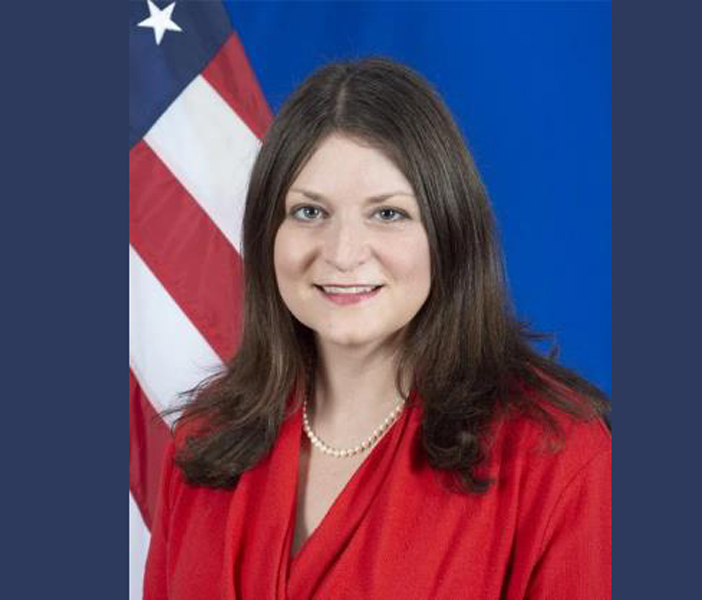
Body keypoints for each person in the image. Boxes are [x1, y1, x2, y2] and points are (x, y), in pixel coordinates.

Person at [143, 57, 611, 600]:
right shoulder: (204, 442)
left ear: (449, 231)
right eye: (309, 212)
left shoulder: (557, 456)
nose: (343, 253)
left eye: (387, 214)